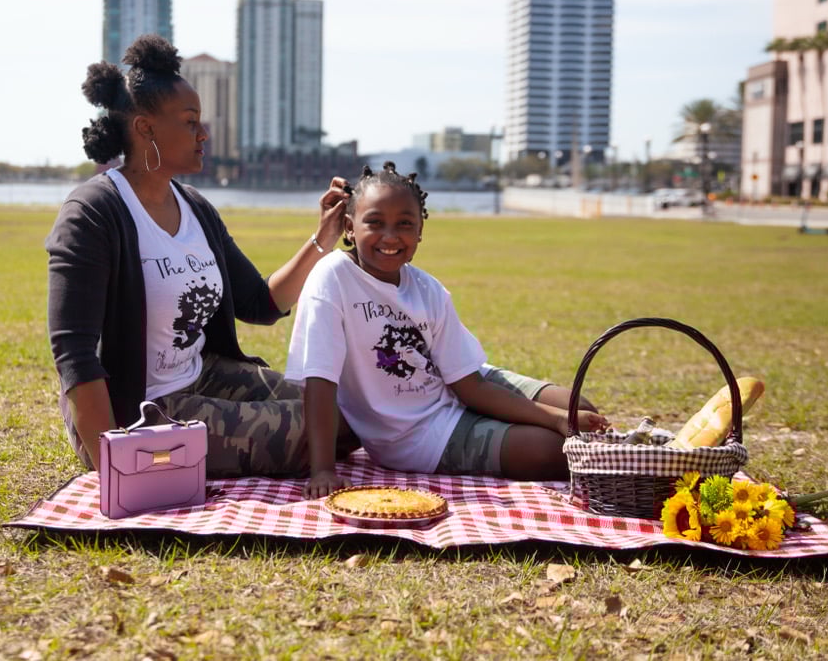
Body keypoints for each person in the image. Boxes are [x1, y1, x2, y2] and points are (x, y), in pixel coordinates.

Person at [46, 34, 357, 477]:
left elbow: (262, 303)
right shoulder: (93, 213)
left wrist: (323, 237)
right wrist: (114, 467)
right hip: (136, 411)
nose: (203, 134)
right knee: (323, 427)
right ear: (145, 129)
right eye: (191, 122)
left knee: (342, 408)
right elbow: (74, 353)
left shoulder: (194, 207)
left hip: (203, 377)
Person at [284, 163, 611, 498]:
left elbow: (470, 386)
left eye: (404, 224)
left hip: (460, 389)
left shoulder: (428, 288)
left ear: (420, 231)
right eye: (375, 222)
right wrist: (323, 469)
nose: (391, 236)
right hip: (417, 434)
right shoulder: (332, 277)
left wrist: (557, 417)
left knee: (578, 408)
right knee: (554, 451)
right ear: (350, 227)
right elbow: (320, 381)